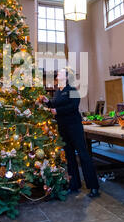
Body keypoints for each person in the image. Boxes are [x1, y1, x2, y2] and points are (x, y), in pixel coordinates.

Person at [41, 68, 100, 198]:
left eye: (61, 72)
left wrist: (57, 111)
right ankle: (74, 184)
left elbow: (73, 106)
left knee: (83, 155)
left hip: (74, 126)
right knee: (69, 156)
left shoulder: (72, 90)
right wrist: (48, 102)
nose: (58, 74)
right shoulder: (57, 92)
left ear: (67, 77)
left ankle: (94, 186)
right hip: (62, 127)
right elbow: (54, 105)